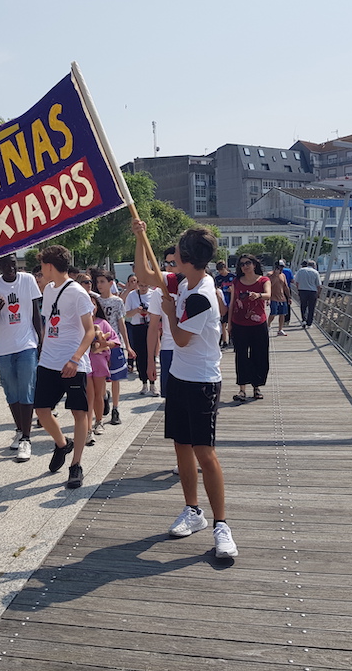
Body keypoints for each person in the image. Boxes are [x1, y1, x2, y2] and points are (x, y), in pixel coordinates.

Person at [133, 221, 238, 559]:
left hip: (203, 382)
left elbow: (180, 338)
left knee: (204, 453)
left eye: (177, 252)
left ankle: (221, 525)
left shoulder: (201, 295)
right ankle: (193, 511)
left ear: (188, 257)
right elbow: (145, 274)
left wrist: (167, 313)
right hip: (179, 376)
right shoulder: (184, 280)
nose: (172, 255)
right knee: (181, 446)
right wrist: (139, 236)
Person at [35, 244, 96, 489]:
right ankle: (62, 443)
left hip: (73, 362)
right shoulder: (48, 290)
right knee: (41, 410)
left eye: (41, 267)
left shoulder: (78, 293)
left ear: (50, 266)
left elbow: (90, 331)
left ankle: (76, 464)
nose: (40, 272)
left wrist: (74, 359)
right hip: (48, 360)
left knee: (79, 413)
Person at [0, 253, 42, 462]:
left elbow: (36, 312)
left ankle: (27, 438)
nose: (11, 268)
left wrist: (41, 340)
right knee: (11, 390)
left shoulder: (27, 280)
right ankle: (20, 429)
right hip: (4, 348)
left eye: (14, 264)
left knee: (26, 389)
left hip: (26, 344)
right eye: (6, 265)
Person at [227, 254, 271, 402]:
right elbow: (232, 303)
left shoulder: (263, 280)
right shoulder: (236, 282)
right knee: (241, 356)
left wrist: (257, 295)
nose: (245, 266)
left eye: (248, 263)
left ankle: (256, 387)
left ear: (254, 264)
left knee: (259, 355)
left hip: (258, 325)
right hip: (239, 324)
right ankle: (242, 389)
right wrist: (229, 324)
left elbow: (268, 294)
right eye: (242, 264)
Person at [91, 268, 131, 424]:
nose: (99, 285)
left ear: (110, 283)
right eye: (97, 282)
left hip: (113, 342)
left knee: (115, 378)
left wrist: (127, 345)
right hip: (97, 345)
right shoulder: (94, 300)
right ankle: (102, 400)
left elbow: (121, 324)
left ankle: (115, 408)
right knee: (100, 377)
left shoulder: (117, 301)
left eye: (102, 282)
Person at [143, 246, 181, 398]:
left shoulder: (197, 287)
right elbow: (152, 328)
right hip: (169, 348)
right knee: (172, 401)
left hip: (193, 350)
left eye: (174, 263)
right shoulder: (159, 292)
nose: (169, 267)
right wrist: (151, 361)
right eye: (167, 263)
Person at [87, 293, 120, 436]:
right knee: (89, 395)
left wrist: (103, 343)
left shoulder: (102, 323)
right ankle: (87, 427)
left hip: (100, 362)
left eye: (93, 304)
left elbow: (115, 341)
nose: (91, 307)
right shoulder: (78, 323)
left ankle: (99, 421)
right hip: (84, 363)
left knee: (99, 394)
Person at [125, 276, 157, 396]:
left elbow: (158, 312)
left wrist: (149, 311)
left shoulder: (154, 294)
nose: (143, 288)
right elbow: (127, 313)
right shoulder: (132, 295)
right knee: (140, 356)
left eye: (146, 285)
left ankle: (153, 384)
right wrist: (137, 311)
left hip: (150, 326)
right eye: (141, 285)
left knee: (151, 354)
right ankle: (144, 383)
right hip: (137, 327)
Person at [293, 260, 322, 328]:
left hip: (302, 290)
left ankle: (304, 320)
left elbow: (296, 282)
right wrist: (318, 293)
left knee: (303, 306)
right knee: (311, 307)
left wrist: (298, 290)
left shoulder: (300, 271)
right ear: (314, 266)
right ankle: (309, 323)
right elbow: (319, 285)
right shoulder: (315, 272)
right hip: (312, 291)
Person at [213, 261, 235, 349]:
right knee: (223, 323)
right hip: (222, 302)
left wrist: (233, 290)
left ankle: (231, 340)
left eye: (222, 270)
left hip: (231, 301)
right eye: (219, 271)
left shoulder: (233, 277)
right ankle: (224, 340)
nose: (221, 272)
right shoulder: (217, 278)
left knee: (231, 322)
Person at [266, 262, 292, 336]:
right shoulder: (269, 275)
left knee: (282, 314)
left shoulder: (283, 275)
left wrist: (289, 297)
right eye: (280, 267)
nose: (281, 269)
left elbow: (285, 287)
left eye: (282, 267)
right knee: (273, 313)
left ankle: (280, 329)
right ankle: (268, 325)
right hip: (273, 297)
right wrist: (275, 276)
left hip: (282, 297)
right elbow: (269, 286)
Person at [278, 259, 294, 326]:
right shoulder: (288, 271)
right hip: (287, 289)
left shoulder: (276, 272)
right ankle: (287, 320)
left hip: (278, 289)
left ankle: (281, 318)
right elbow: (292, 280)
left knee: (279, 304)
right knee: (288, 304)